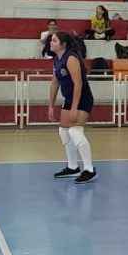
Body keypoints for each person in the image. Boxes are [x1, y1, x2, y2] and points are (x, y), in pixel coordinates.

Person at [49, 32, 97, 184]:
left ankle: (89, 169)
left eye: (54, 40)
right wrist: (51, 106)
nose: (51, 43)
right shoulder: (57, 59)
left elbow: (78, 84)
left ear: (63, 44)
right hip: (69, 99)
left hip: (82, 99)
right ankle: (73, 167)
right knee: (63, 131)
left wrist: (75, 108)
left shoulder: (71, 58)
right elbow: (55, 83)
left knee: (75, 131)